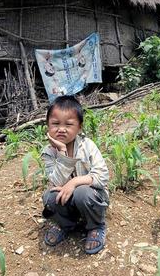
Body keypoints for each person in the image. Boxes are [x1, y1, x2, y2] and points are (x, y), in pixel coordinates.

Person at [41, 95, 109, 254]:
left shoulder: (88, 146)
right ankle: (67, 224)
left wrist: (75, 182)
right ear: (48, 126)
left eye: (69, 124)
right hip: (67, 199)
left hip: (91, 197)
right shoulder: (49, 152)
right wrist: (63, 153)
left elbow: (102, 175)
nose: (61, 129)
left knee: (81, 191)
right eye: (55, 124)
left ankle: (96, 226)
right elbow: (55, 181)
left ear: (79, 127)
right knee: (49, 197)